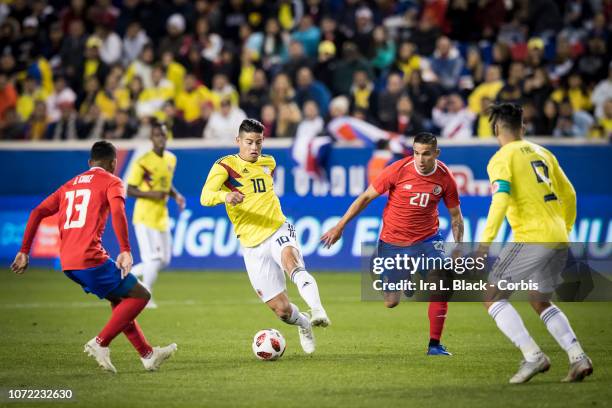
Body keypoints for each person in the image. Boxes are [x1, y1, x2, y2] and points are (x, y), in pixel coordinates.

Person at [11, 141, 176, 373]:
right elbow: (118, 213)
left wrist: (24, 250)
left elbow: (37, 211)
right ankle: (101, 342)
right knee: (141, 295)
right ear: (113, 163)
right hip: (90, 258)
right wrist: (125, 249)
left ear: (90, 163)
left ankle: (147, 355)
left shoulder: (68, 185)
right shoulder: (112, 181)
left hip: (68, 262)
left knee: (120, 302)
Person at [479, 103, 592, 383]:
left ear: (496, 129)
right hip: (557, 236)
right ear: (523, 127)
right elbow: (570, 194)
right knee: (540, 300)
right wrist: (563, 228)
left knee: (492, 297)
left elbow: (500, 199)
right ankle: (578, 357)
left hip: (531, 237)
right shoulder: (544, 153)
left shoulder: (501, 158)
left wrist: (485, 242)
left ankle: (533, 356)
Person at [321, 132, 464, 356]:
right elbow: (366, 197)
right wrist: (340, 226)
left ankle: (434, 345)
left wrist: (459, 247)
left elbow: (456, 217)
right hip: (393, 242)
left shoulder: (445, 177)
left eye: (426, 154)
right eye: (416, 153)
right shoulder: (398, 169)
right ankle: (405, 276)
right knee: (391, 302)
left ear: (436, 153)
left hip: (428, 239)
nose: (421, 159)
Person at [200, 119, 330, 354]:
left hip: (277, 228)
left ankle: (318, 310)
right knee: (281, 310)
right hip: (251, 244)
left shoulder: (269, 162)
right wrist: (225, 197)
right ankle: (303, 324)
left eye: (258, 142)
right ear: (237, 141)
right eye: (249, 142)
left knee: (292, 262)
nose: (254, 148)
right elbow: (205, 196)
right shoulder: (225, 166)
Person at [127, 121, 185, 308]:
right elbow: (130, 189)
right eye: (156, 135)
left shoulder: (171, 159)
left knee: (164, 260)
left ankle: (128, 276)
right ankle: (145, 295)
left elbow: (165, 184)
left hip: (161, 215)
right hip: (144, 216)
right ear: (151, 138)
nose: (160, 138)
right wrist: (152, 194)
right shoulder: (143, 162)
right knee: (152, 258)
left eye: (163, 134)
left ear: (166, 137)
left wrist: (176, 195)